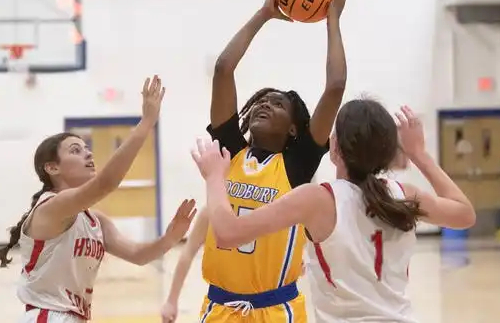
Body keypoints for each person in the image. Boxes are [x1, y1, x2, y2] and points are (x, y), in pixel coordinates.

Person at [163, 0, 348, 323]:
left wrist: (332, 18)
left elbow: (335, 87)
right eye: (261, 100)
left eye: (277, 104)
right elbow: (223, 69)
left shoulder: (296, 165)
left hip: (276, 311)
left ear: (294, 128)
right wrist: (263, 14)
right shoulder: (229, 153)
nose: (264, 105)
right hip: (219, 309)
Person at [191, 103, 475, 322]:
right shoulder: (404, 194)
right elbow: (465, 214)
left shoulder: (318, 200)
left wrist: (215, 179)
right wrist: (420, 154)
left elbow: (227, 233)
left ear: (334, 147)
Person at [0, 76, 197, 323]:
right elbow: (106, 184)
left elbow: (139, 255)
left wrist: (170, 238)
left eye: (86, 148)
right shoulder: (50, 208)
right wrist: (146, 123)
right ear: (52, 168)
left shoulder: (95, 221)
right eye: (75, 150)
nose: (88, 153)